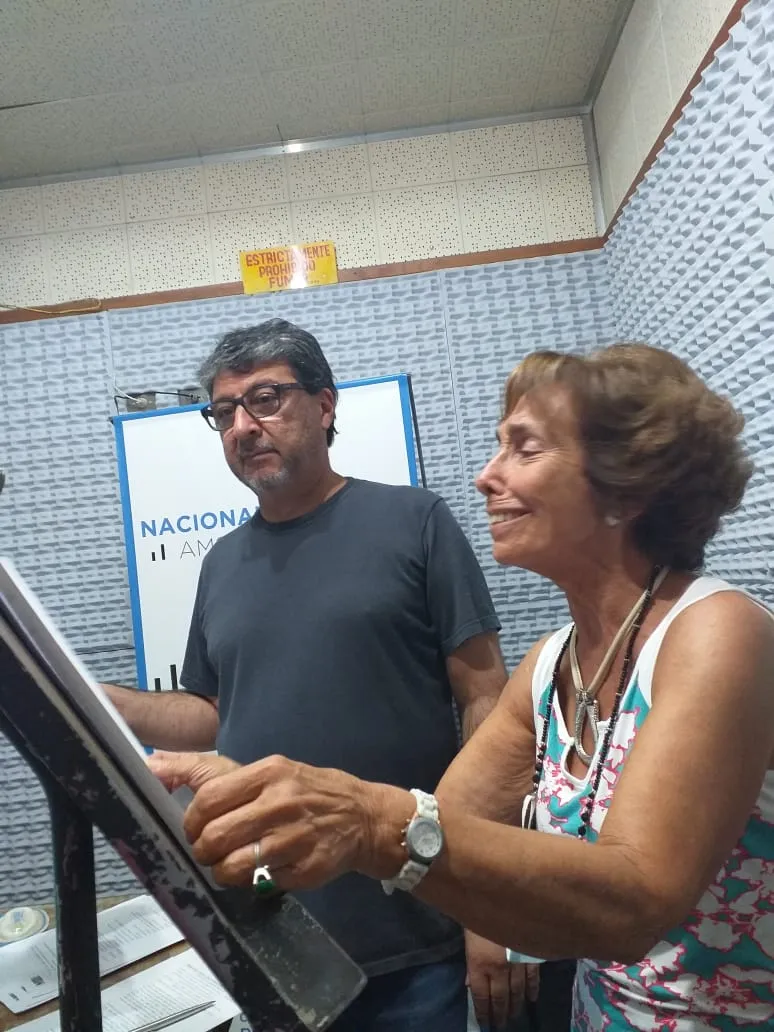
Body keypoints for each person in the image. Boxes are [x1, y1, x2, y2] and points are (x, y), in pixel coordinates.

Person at [149, 343, 774, 1031]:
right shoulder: (552, 666)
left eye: (523, 449)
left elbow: (636, 904)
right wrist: (277, 809)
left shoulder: (717, 633)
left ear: (627, 486)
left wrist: (367, 819)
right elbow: (447, 824)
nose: (486, 476)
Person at [104, 319, 523, 1032]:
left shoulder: (415, 520)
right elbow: (210, 712)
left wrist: (489, 903)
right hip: (275, 930)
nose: (244, 426)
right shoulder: (222, 562)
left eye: (265, 399)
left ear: (325, 405)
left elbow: (488, 704)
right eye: (225, 411)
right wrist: (95, 702)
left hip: (416, 932)